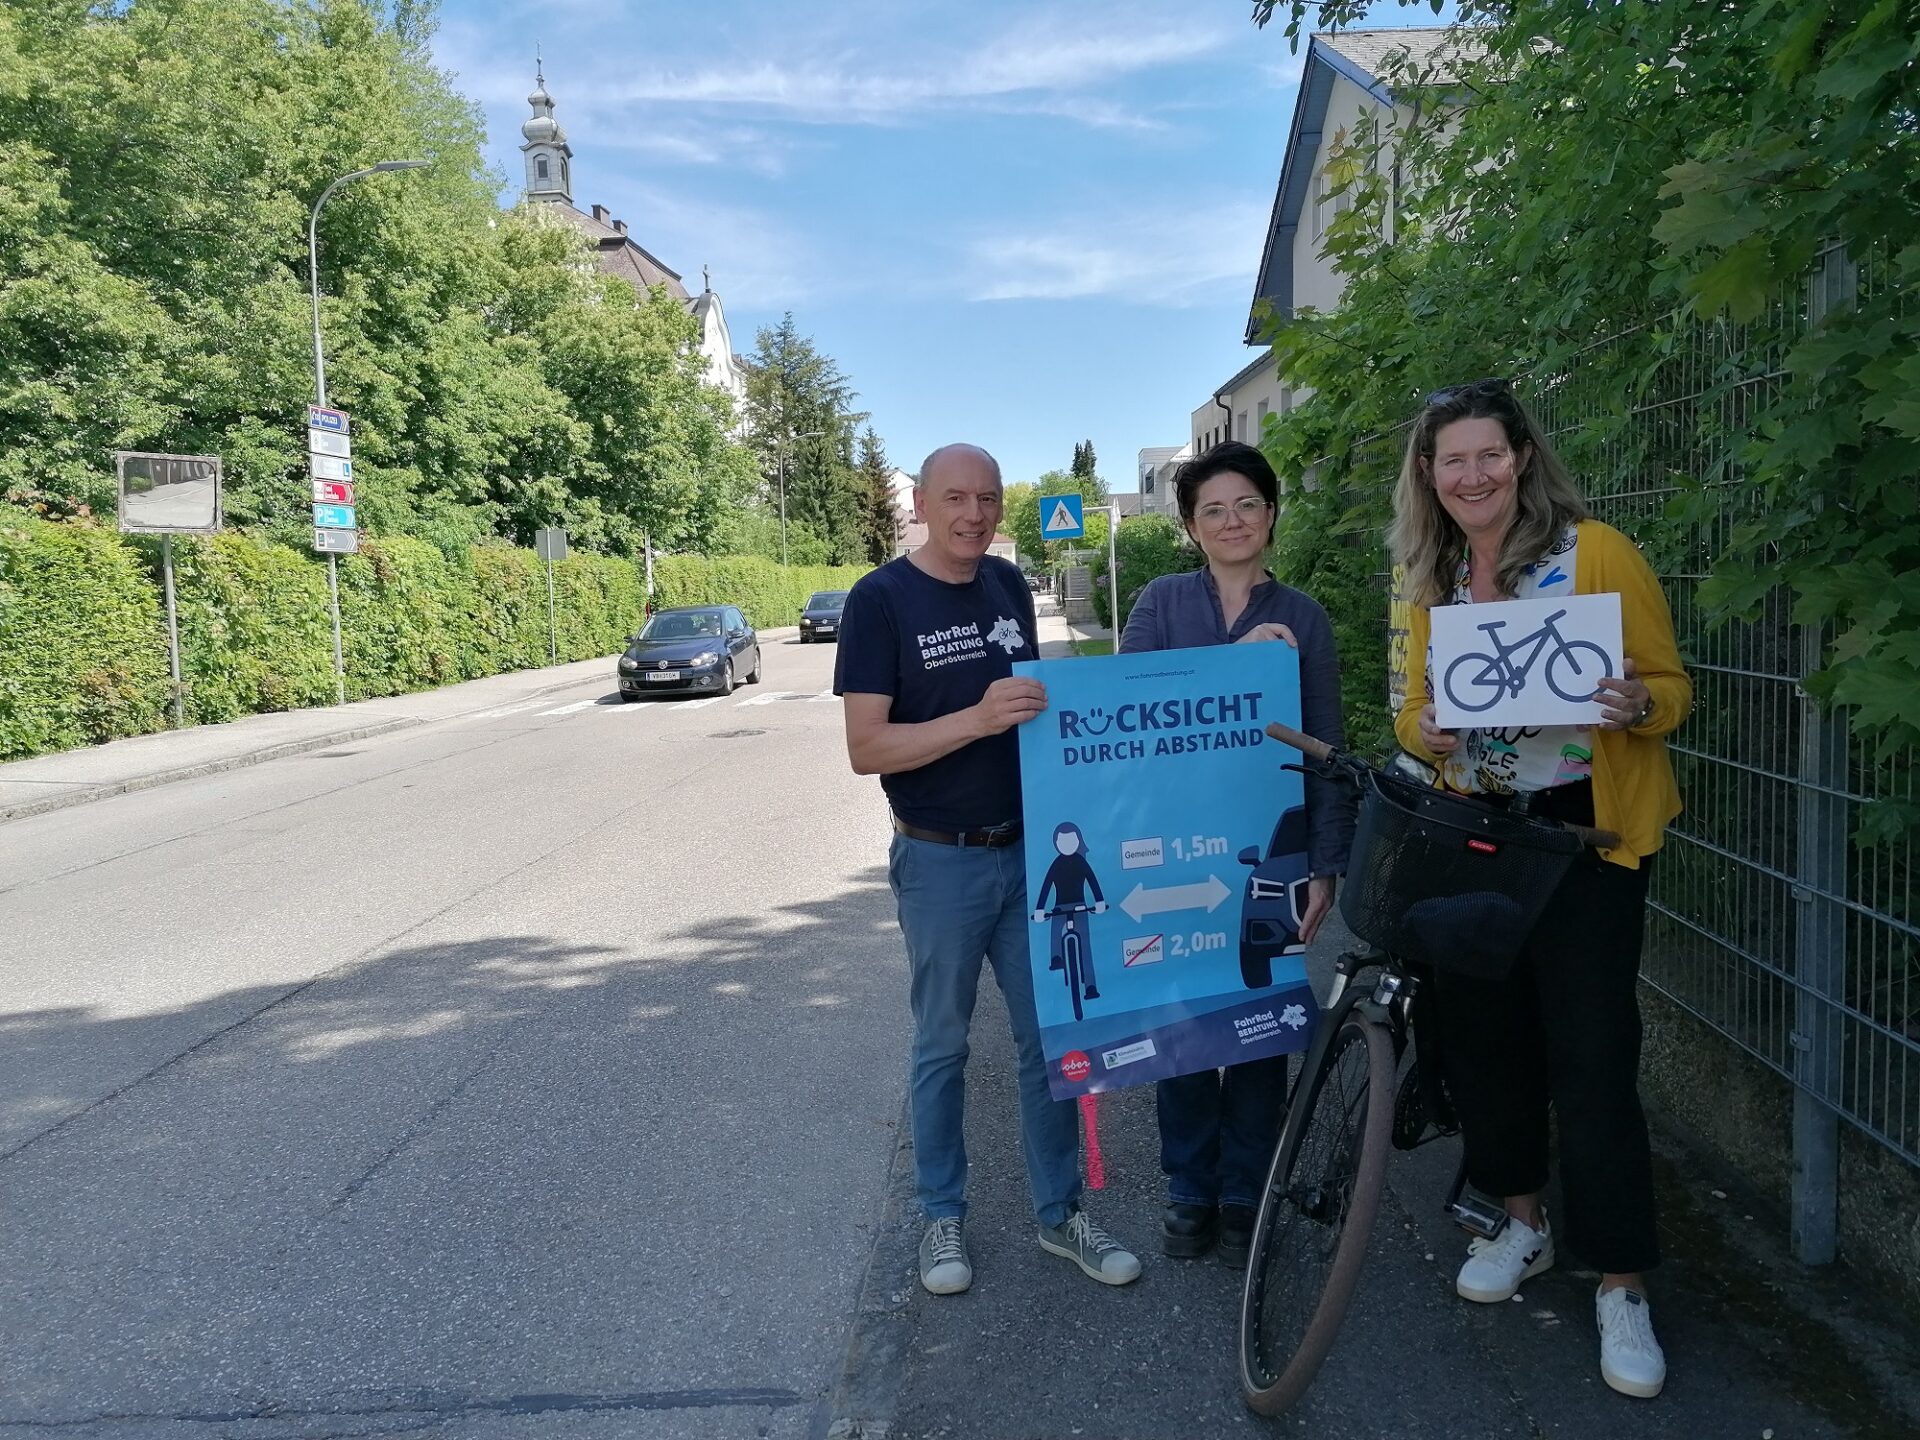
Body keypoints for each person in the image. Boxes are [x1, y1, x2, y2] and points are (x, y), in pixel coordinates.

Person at [1389, 378, 1691, 1400]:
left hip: (1586, 840)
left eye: (1488, 455)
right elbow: (1411, 708)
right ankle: (1524, 1224)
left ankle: (1621, 1282)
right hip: (1478, 841)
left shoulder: (1593, 553)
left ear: (1520, 458)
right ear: (1429, 477)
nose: (1471, 475)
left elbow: (1671, 687)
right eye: (1451, 460)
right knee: (1487, 1046)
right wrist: (1416, 730)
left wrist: (1641, 700)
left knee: (1595, 1058)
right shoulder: (1426, 578)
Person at [836, 442, 1142, 1297]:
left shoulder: (1008, 587)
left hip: (1030, 853)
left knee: (1051, 1041)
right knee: (942, 1045)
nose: (975, 514)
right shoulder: (880, 601)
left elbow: (1041, 714)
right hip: (940, 863)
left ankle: (1061, 1214)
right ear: (924, 506)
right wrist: (974, 720)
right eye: (957, 498)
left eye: (990, 499)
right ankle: (941, 1217)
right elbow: (867, 748)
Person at [1118, 440, 1354, 1265]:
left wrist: (1326, 865)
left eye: (1246, 505)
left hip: (1274, 851)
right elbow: (1134, 711)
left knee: (1259, 1023)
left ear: (1271, 514)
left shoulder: (1308, 617)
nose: (1231, 521)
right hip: (1177, 849)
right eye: (1212, 509)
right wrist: (1240, 666)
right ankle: (1188, 1189)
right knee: (1183, 1024)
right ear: (1189, 525)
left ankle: (1246, 1188)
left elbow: (1327, 745)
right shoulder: (1158, 604)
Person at [1031, 821, 1107, 1003]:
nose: (1067, 845)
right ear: (1056, 843)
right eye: (1062, 841)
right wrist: (1040, 910)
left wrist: (1100, 902)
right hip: (1060, 907)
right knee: (1055, 929)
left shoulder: (1081, 862)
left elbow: (1093, 881)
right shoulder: (1056, 864)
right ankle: (1056, 957)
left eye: (1071, 840)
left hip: (1081, 906)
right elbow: (1046, 886)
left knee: (1086, 947)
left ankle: (1090, 986)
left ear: (1078, 841)